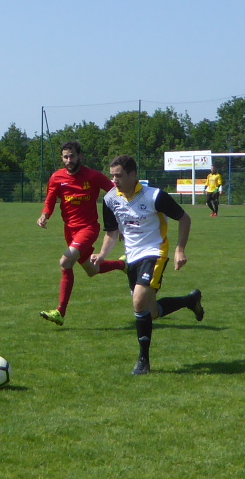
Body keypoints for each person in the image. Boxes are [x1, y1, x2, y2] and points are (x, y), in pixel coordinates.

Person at [91, 155, 204, 375]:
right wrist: (102, 254)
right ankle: (190, 301)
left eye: (119, 176)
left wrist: (180, 249)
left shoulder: (155, 196)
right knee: (150, 312)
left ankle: (143, 361)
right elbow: (112, 232)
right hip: (132, 257)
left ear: (133, 175)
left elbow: (184, 218)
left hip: (155, 252)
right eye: (112, 176)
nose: (114, 180)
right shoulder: (110, 199)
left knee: (138, 302)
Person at [37, 141, 126, 326]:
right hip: (69, 231)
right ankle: (123, 264)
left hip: (88, 229)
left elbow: (116, 192)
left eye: (72, 156)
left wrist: (121, 222)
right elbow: (50, 200)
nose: (69, 160)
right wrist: (45, 215)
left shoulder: (93, 176)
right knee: (92, 270)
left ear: (80, 156)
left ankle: (60, 312)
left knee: (65, 262)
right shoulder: (56, 177)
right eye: (65, 157)